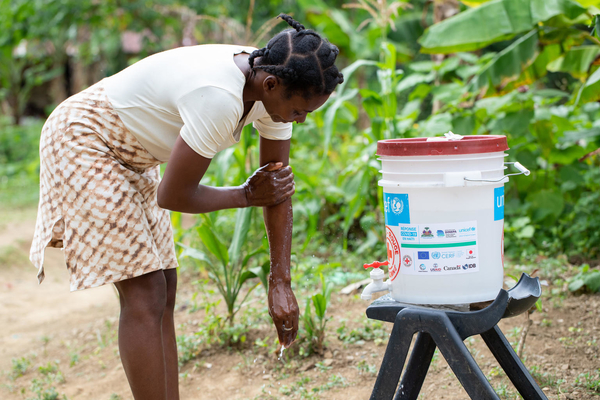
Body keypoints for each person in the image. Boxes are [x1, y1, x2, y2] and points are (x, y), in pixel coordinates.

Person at [29, 13, 343, 400]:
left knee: (165, 288)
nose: (301, 120)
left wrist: (281, 283)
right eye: (298, 111)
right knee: (145, 293)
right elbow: (173, 196)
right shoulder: (220, 97)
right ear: (272, 84)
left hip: (135, 154)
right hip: (86, 138)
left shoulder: (273, 85)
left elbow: (276, 187)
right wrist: (244, 195)